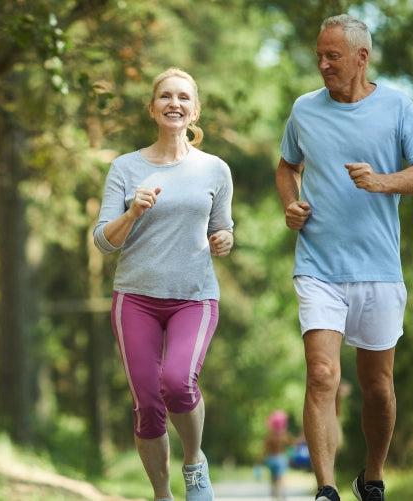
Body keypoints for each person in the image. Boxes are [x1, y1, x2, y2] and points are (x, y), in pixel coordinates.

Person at [275, 14, 413, 501]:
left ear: (362, 58)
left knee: (378, 389)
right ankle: (325, 489)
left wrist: (382, 181)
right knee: (322, 373)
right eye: (319, 56)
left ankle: (372, 477)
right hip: (319, 265)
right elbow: (287, 167)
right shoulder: (305, 109)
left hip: (379, 270)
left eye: (333, 57)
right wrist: (291, 203)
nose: (322, 64)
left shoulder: (397, 106)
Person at [93, 67, 234, 501]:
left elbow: (222, 229)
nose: (175, 103)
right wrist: (132, 212)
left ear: (195, 110)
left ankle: (194, 465)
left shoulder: (214, 169)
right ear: (152, 108)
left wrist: (225, 238)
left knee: (177, 382)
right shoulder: (125, 167)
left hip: (193, 298)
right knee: (147, 405)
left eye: (184, 97)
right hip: (135, 298)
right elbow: (102, 241)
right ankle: (162, 495)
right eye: (166, 97)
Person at [258, 410, 295, 501]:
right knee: (280, 478)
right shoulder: (284, 435)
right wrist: (290, 455)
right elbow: (293, 444)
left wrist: (259, 460)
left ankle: (274, 494)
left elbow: (264, 450)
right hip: (281, 458)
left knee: (273, 477)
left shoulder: (269, 436)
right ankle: (281, 495)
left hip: (271, 459)